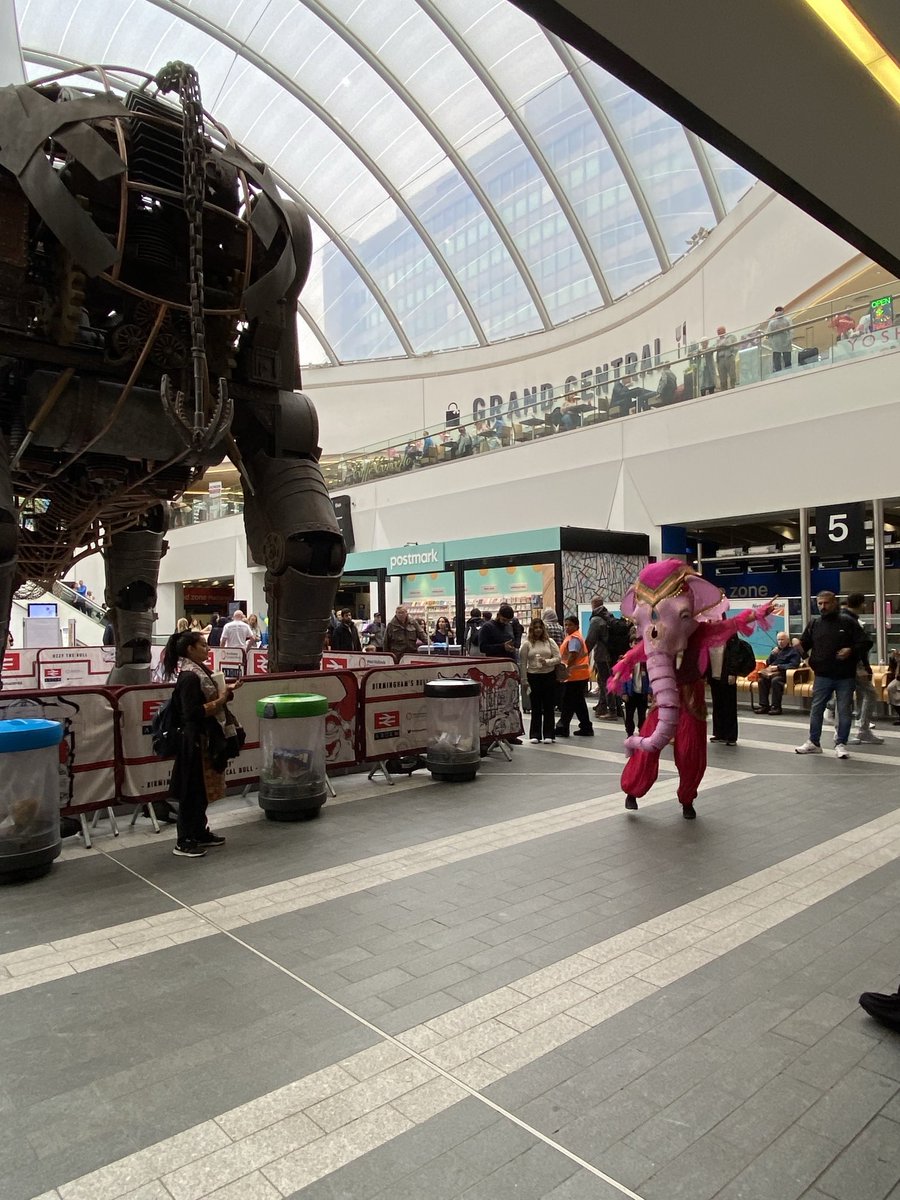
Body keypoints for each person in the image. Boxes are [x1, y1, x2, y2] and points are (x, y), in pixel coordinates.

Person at [161, 629, 239, 858]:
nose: (207, 648)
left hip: (205, 739)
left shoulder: (199, 672)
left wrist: (224, 695)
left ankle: (199, 831)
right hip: (194, 740)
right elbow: (192, 713)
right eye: (203, 645)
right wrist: (222, 699)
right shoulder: (189, 677)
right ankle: (184, 840)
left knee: (202, 790)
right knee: (192, 790)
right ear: (190, 649)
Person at [795, 591, 868, 759]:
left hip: (845, 675)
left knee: (844, 710)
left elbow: (864, 642)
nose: (822, 607)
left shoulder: (848, 622)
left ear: (834, 603)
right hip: (822, 675)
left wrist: (850, 650)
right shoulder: (815, 624)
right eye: (819, 603)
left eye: (826, 603)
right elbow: (804, 644)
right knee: (817, 709)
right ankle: (814, 742)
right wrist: (800, 649)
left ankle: (841, 743)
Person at [842, 592, 884, 745]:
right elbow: (862, 646)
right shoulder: (852, 621)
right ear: (860, 604)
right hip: (854, 665)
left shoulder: (845, 618)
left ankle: (848, 731)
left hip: (847, 664)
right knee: (869, 694)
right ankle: (862, 729)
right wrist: (864, 666)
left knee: (847, 696)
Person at [519, 617, 561, 743]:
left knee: (549, 705)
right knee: (535, 706)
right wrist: (524, 680)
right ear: (532, 629)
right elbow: (523, 663)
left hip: (549, 675)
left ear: (543, 629)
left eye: (540, 627)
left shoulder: (550, 642)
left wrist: (547, 662)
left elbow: (558, 658)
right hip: (533, 676)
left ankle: (549, 734)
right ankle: (535, 734)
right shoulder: (526, 644)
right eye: (535, 628)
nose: (538, 630)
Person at [555, 615, 594, 737]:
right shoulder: (574, 637)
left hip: (574, 676)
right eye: (565, 625)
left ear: (576, 625)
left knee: (568, 701)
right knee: (578, 702)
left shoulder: (574, 638)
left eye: (570, 625)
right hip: (578, 675)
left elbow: (573, 655)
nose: (567, 627)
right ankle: (586, 726)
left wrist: (565, 668)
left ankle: (563, 727)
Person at [707, 632, 743, 745]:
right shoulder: (709, 632)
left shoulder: (730, 632)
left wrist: (732, 672)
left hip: (727, 674)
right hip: (713, 674)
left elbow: (735, 654)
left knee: (729, 705)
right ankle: (719, 733)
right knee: (717, 705)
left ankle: (731, 736)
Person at [756, 631, 801, 714]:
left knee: (776, 681)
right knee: (761, 680)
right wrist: (772, 654)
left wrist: (778, 667)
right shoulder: (776, 650)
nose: (780, 642)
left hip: (785, 674)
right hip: (771, 673)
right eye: (778, 640)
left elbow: (794, 664)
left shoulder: (793, 651)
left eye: (782, 639)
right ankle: (764, 705)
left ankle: (776, 707)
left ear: (787, 640)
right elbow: (768, 663)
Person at [585, 594, 611, 718]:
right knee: (609, 680)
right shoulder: (608, 615)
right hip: (611, 654)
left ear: (593, 605)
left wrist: (584, 653)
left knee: (603, 681)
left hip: (602, 655)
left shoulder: (596, 619)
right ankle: (603, 704)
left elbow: (591, 639)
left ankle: (609, 709)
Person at [767, 305, 793, 371]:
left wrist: (789, 339)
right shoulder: (772, 323)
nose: (779, 312)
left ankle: (789, 370)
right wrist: (771, 343)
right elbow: (769, 334)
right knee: (776, 360)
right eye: (777, 311)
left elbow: (791, 331)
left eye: (780, 310)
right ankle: (777, 372)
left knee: (787, 359)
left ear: (783, 311)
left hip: (786, 341)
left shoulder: (787, 320)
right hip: (776, 343)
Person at [715, 325, 737, 390]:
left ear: (724, 330)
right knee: (722, 376)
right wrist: (720, 345)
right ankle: (724, 389)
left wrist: (720, 345)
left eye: (719, 330)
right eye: (717, 331)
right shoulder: (717, 340)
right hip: (720, 359)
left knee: (732, 373)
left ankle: (733, 386)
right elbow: (715, 346)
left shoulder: (730, 337)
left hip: (729, 357)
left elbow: (727, 343)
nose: (717, 332)